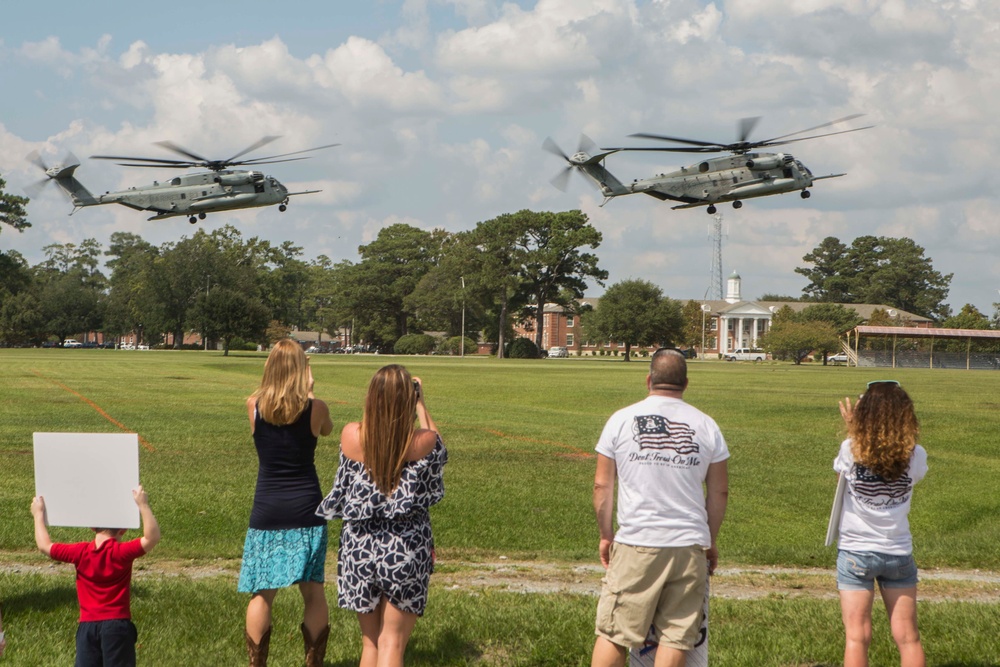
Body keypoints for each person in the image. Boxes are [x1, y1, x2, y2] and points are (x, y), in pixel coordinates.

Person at [591, 348, 729, 667]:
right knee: (675, 636)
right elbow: (719, 491)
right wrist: (709, 540)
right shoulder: (707, 425)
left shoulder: (621, 420)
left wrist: (606, 534)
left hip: (637, 540)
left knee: (615, 631)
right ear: (686, 383)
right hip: (688, 544)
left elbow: (602, 485)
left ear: (648, 380)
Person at [316, 364, 446, 667]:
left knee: (371, 644)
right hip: (405, 546)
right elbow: (439, 447)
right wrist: (421, 404)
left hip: (359, 547)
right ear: (407, 400)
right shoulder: (422, 442)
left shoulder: (351, 435)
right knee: (393, 643)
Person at [238, 339, 335, 667]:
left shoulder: (254, 406)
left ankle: (257, 663)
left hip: (267, 510)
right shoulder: (315, 408)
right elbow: (327, 431)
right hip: (307, 509)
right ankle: (313, 662)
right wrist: (310, 391)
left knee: (262, 593)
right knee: (313, 591)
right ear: (301, 370)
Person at [835, 381, 927, 667]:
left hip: (856, 551)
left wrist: (854, 430)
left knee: (856, 637)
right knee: (908, 638)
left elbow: (842, 479)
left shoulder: (850, 449)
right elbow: (914, 476)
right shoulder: (916, 454)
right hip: (898, 551)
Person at [31, 486, 160, 667]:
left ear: (92, 526)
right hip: (117, 626)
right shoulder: (122, 553)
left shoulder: (80, 552)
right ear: (123, 529)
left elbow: (45, 546)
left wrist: (38, 515)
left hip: (87, 628)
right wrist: (143, 505)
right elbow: (152, 537)